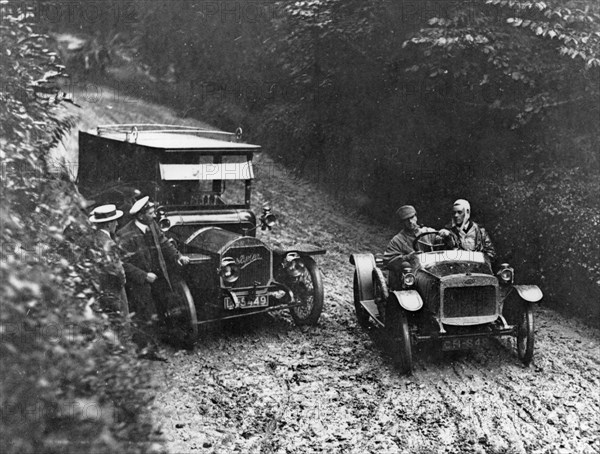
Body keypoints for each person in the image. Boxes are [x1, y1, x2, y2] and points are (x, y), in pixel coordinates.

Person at [117, 196, 190, 357]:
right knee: (145, 313)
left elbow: (164, 243)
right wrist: (144, 276)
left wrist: (178, 256)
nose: (154, 215)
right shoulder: (125, 234)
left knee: (167, 305)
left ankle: (169, 342)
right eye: (150, 213)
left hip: (158, 276)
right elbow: (122, 263)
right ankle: (147, 351)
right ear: (141, 216)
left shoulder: (153, 225)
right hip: (139, 282)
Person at [89, 204, 128, 321]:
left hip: (99, 288)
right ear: (108, 224)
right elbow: (118, 271)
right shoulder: (108, 242)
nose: (117, 224)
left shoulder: (93, 238)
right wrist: (122, 281)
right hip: (113, 289)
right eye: (115, 221)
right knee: (122, 320)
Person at [383, 205, 446, 272]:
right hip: (412, 274)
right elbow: (388, 261)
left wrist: (446, 235)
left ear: (416, 217)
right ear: (402, 222)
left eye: (412, 217)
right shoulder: (397, 240)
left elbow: (445, 244)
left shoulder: (428, 232)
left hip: (432, 270)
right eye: (406, 220)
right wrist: (408, 257)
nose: (410, 221)